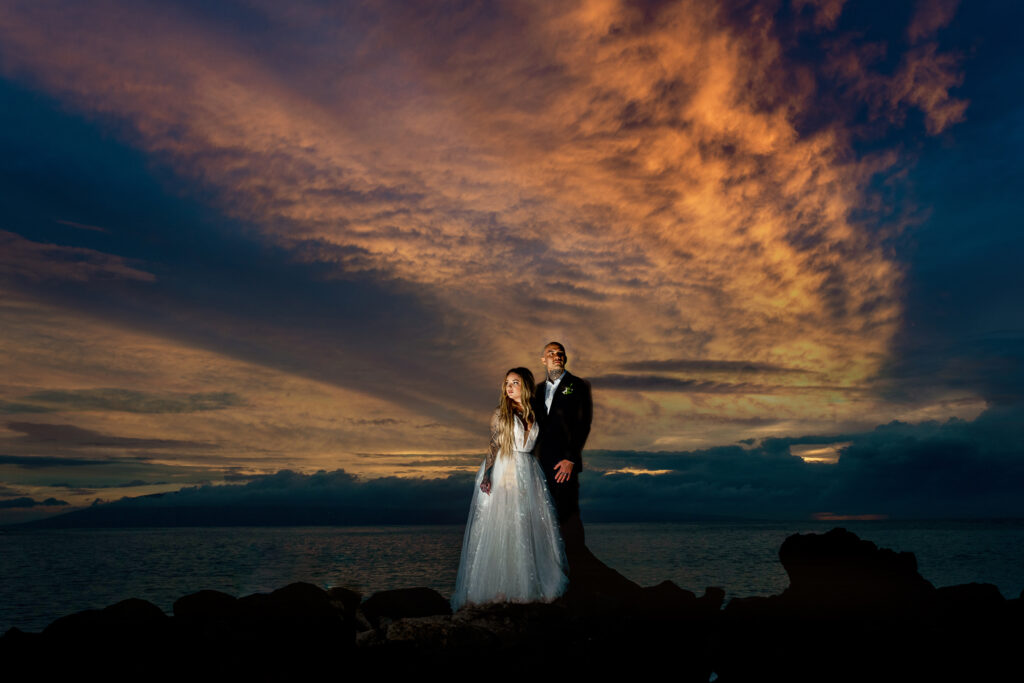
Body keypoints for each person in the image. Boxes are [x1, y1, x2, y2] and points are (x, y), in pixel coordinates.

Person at [450, 367, 569, 611]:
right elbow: (493, 446)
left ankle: (529, 584)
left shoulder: (534, 413)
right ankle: (499, 587)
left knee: (528, 526)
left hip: (528, 470)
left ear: (525, 385)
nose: (509, 387)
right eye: (506, 383)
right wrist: (487, 475)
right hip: (505, 468)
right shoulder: (500, 414)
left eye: (515, 382)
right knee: (503, 527)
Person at [530, 341, 592, 559]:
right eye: (551, 353)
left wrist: (570, 459)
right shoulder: (536, 390)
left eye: (560, 353)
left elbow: (583, 424)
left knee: (568, 513)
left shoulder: (578, 385)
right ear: (543, 360)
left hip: (565, 462)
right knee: (544, 513)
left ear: (565, 358)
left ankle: (578, 564)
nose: (557, 356)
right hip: (540, 462)